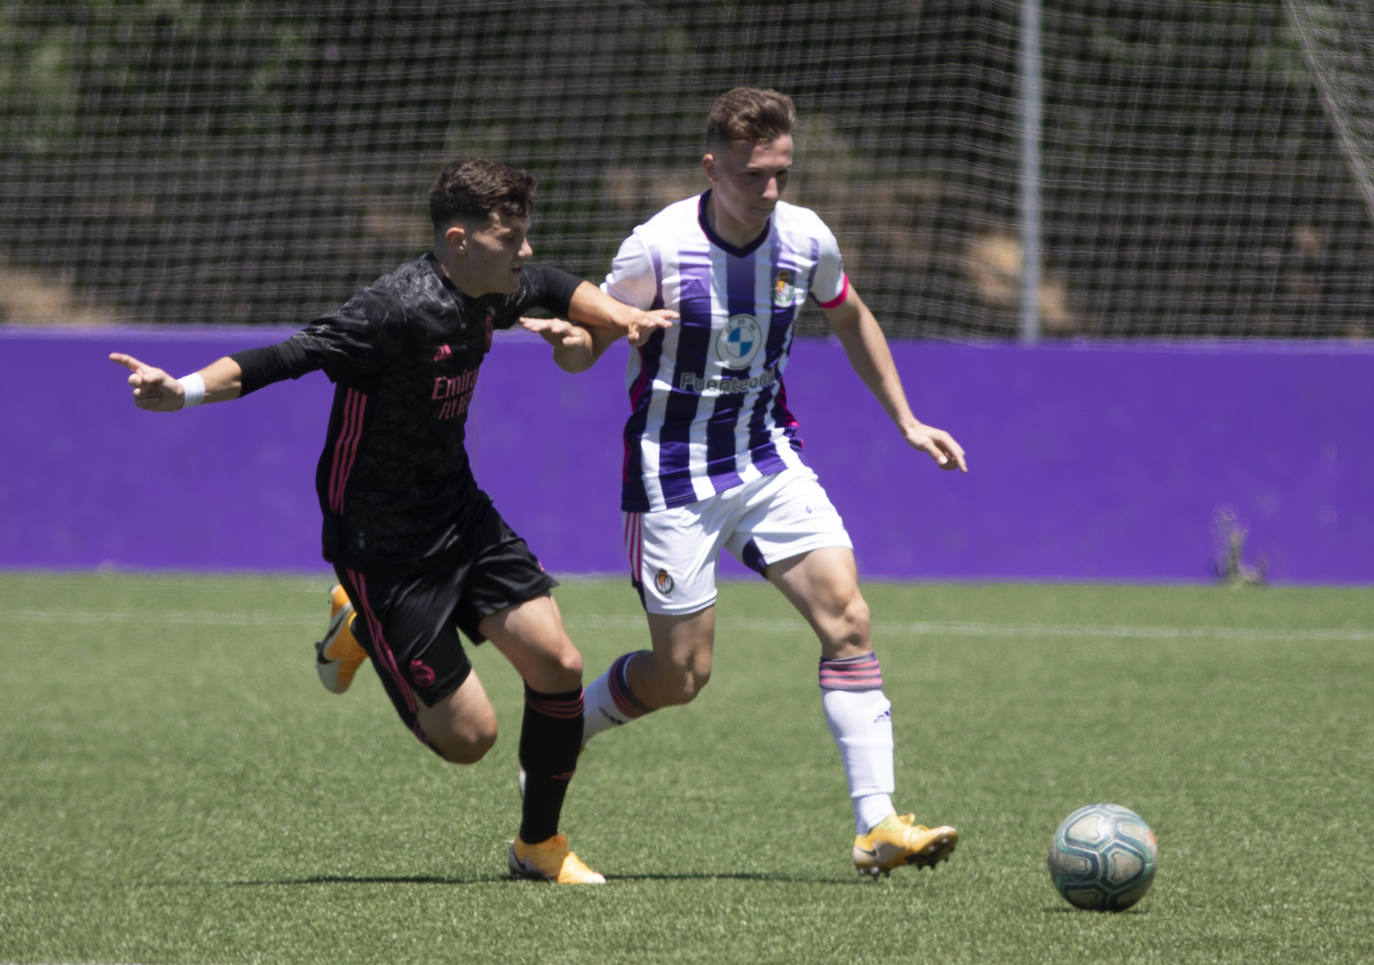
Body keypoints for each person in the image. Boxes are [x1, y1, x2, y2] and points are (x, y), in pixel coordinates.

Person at [110, 158, 675, 885]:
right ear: (459, 240)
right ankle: (360, 625)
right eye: (511, 238)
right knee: (471, 739)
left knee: (559, 664)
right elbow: (285, 356)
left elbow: (555, 284)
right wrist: (181, 390)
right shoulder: (392, 310)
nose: (525, 250)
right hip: (380, 543)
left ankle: (539, 845)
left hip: (458, 511)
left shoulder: (492, 284)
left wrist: (619, 318)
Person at [522, 88, 968, 878]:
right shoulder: (657, 248)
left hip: (767, 459)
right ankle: (565, 734)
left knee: (849, 617)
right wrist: (568, 340)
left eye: (781, 173)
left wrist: (905, 418)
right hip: (673, 475)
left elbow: (851, 315)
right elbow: (591, 345)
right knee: (681, 677)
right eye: (753, 174)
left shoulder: (805, 238)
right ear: (712, 167)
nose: (769, 190)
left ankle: (877, 825)